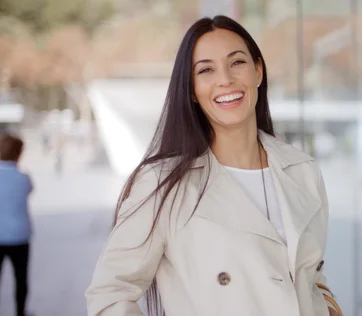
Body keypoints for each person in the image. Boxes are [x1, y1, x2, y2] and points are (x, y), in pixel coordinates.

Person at [85, 15, 342, 316]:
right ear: (192, 89)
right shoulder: (163, 184)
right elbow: (110, 294)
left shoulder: (303, 170)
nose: (225, 79)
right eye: (206, 70)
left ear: (258, 71)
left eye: (237, 63)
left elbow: (312, 278)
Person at [0, 133, 34, 316]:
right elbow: (29, 191)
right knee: (20, 278)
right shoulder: (23, 177)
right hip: (19, 235)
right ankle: (20, 312)